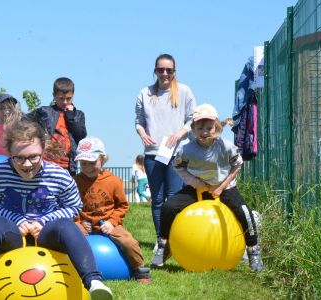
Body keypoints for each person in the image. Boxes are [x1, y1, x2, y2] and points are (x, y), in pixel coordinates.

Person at [0, 117, 112, 300]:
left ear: (43, 150)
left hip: (47, 234)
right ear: (9, 153)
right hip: (13, 235)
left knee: (66, 225)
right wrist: (18, 221)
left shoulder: (59, 175)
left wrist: (42, 221)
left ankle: (94, 282)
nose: (27, 164)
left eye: (33, 156)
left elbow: (74, 206)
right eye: (19, 158)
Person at [151, 104, 265, 272]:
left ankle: (253, 251)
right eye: (200, 127)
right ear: (193, 129)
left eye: (209, 127)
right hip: (197, 188)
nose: (204, 132)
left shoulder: (226, 147)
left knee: (245, 213)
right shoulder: (186, 149)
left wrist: (221, 186)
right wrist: (197, 184)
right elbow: (178, 166)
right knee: (168, 207)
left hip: (224, 188)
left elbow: (237, 166)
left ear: (217, 127)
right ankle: (163, 245)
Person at [134, 54, 196, 245]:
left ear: (174, 72)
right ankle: (161, 240)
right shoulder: (145, 93)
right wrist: (142, 134)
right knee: (158, 200)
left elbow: (192, 119)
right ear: (155, 71)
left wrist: (179, 134)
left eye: (169, 70)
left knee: (174, 199)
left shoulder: (184, 91)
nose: (165, 73)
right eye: (161, 69)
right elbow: (138, 121)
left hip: (177, 153)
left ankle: (176, 239)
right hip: (153, 154)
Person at [74, 137, 152, 284]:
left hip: (108, 223)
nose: (88, 167)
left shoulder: (113, 181)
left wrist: (112, 222)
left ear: (102, 159)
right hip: (84, 223)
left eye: (93, 163)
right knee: (71, 238)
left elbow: (122, 205)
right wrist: (80, 221)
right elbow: (72, 207)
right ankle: (71, 269)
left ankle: (140, 269)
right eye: (84, 163)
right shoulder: (75, 182)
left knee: (128, 241)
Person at [28, 77, 86, 175]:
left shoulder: (78, 115)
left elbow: (81, 135)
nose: (64, 102)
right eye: (61, 98)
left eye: (68, 98)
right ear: (54, 96)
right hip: (45, 164)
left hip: (67, 166)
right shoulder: (45, 112)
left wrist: (70, 117)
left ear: (73, 96)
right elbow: (24, 120)